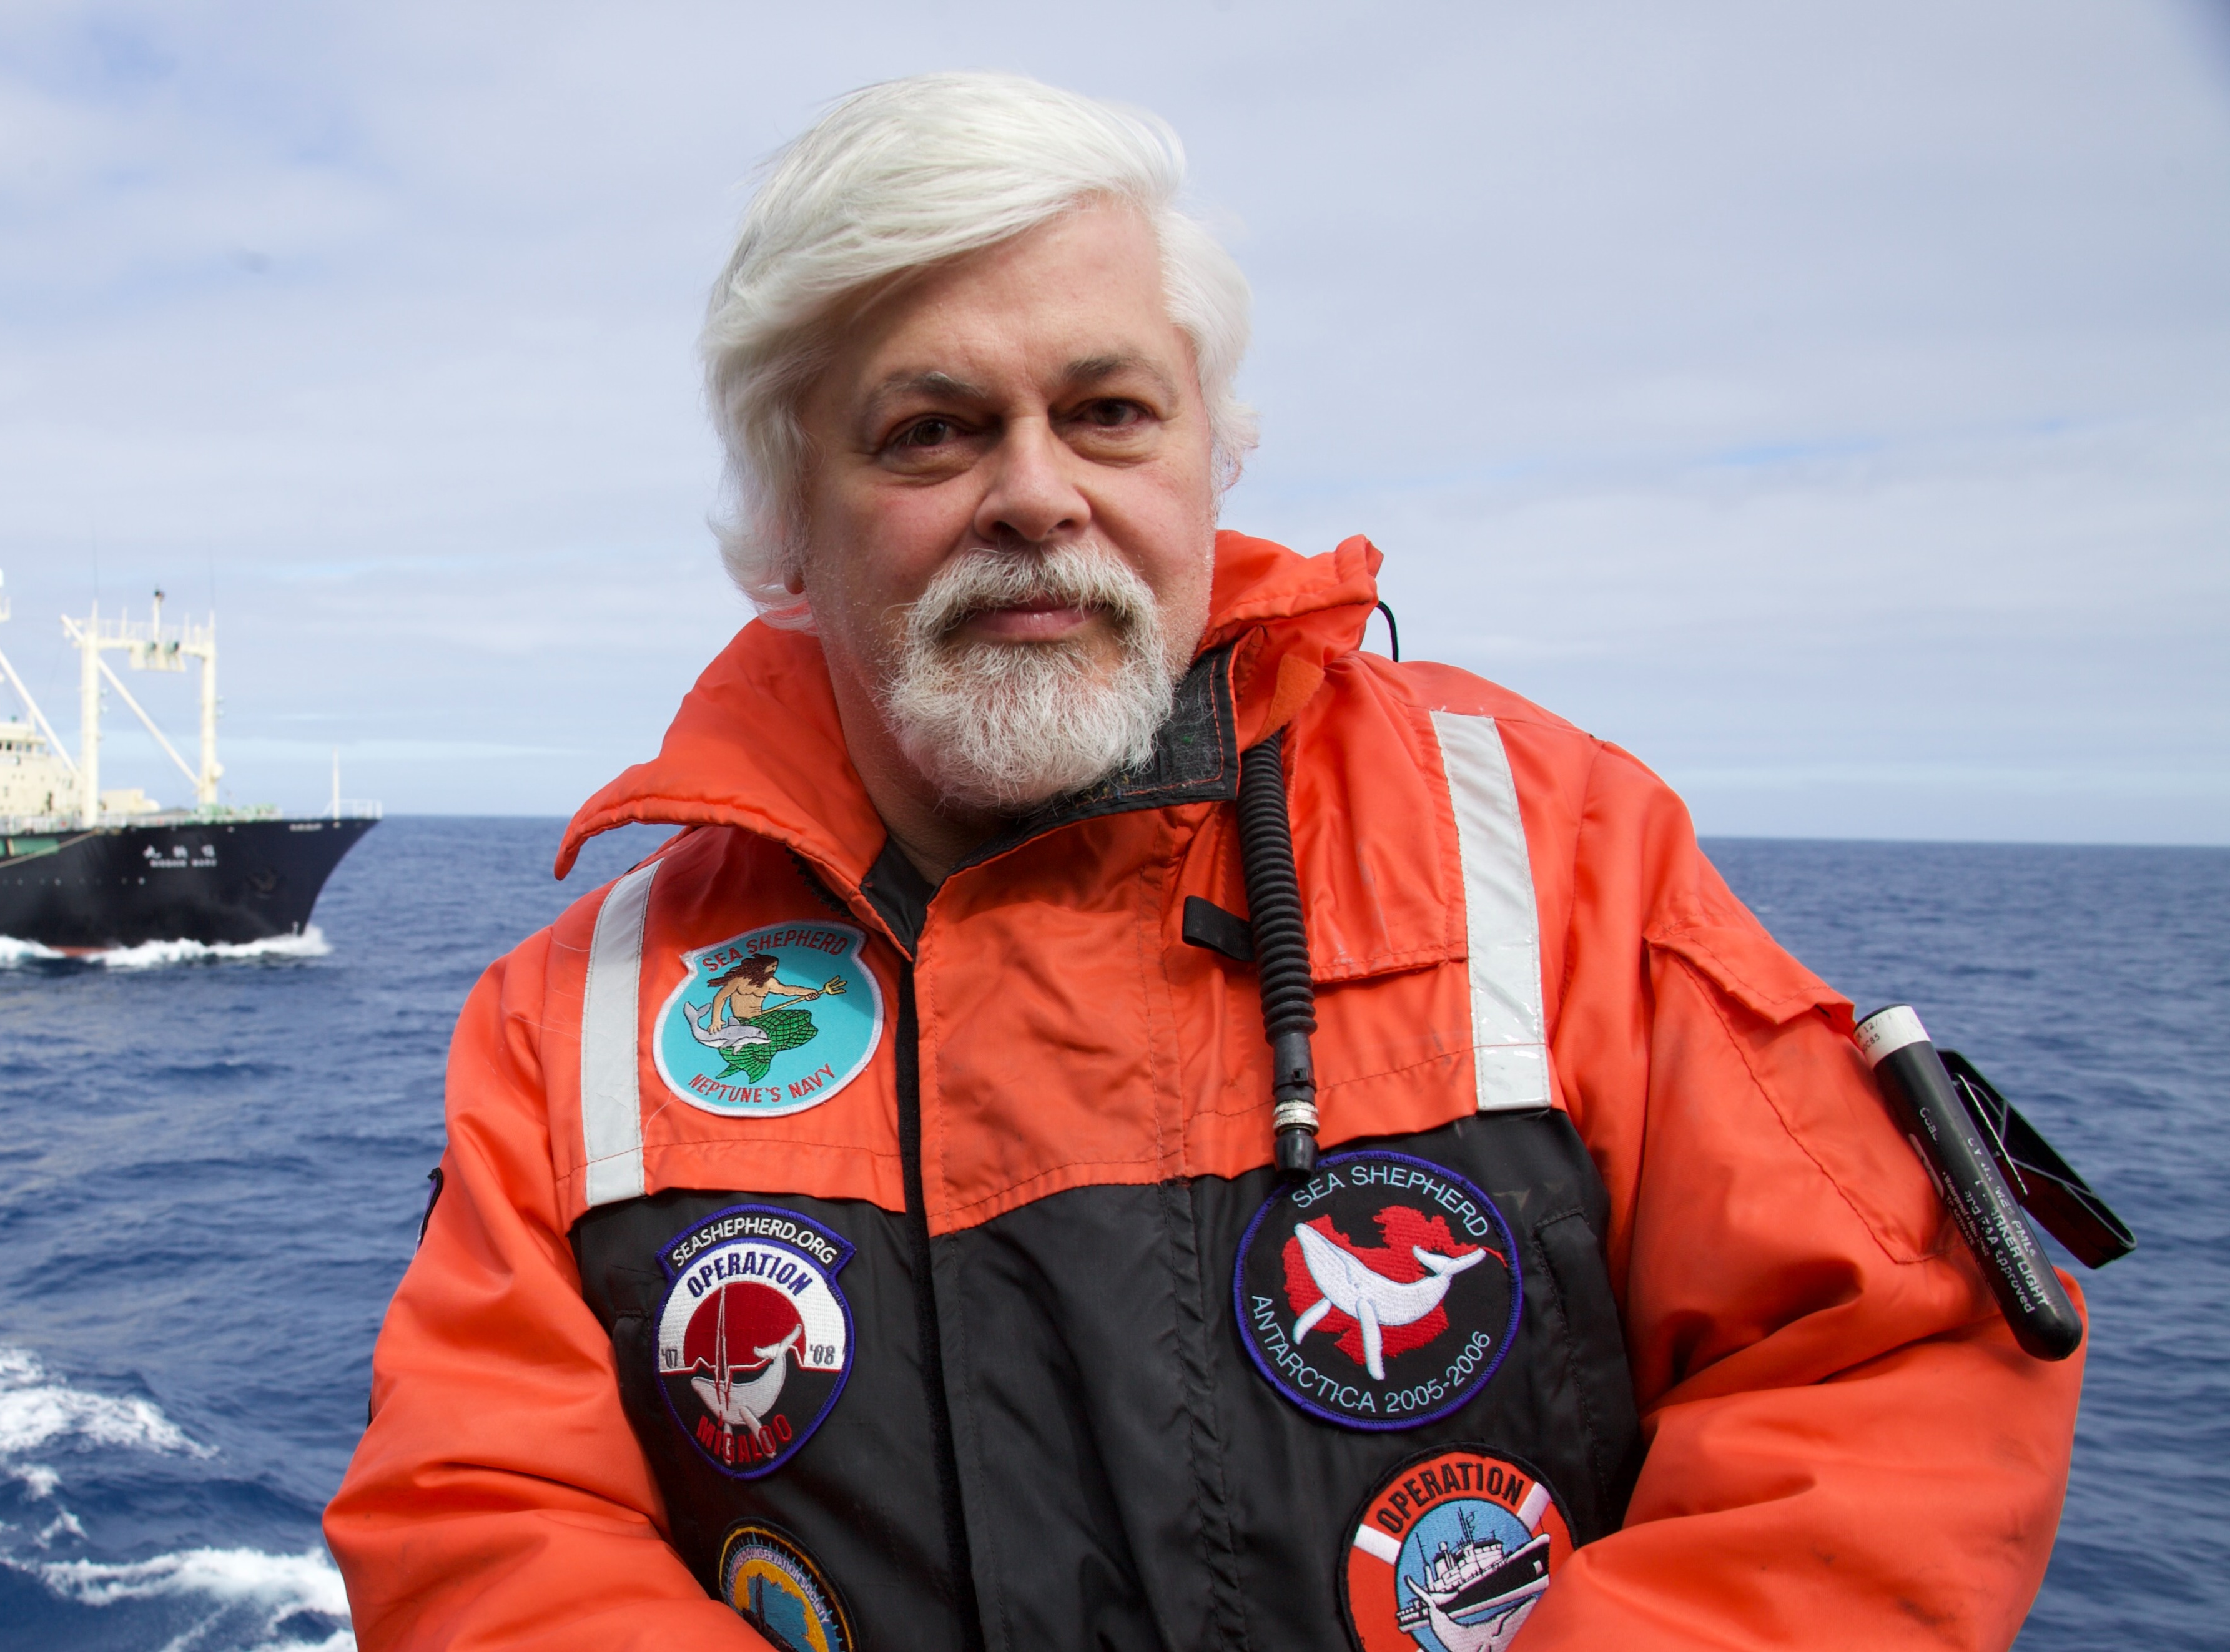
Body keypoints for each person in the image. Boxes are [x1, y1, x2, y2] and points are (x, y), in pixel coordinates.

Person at [325, 72, 2082, 1651]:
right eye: (930, 430)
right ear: (790, 517)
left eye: (1107, 411)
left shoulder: (1551, 851)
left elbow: (1883, 1377)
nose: (1036, 493)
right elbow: (489, 1531)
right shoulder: (576, 1025)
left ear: (1210, 461)